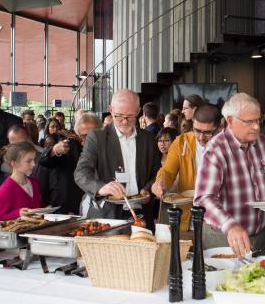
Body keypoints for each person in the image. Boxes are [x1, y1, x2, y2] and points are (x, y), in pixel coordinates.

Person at [193, 93, 265, 257]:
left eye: (258, 120)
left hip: (260, 235)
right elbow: (203, 198)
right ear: (230, 121)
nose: (256, 127)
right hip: (224, 237)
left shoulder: (264, 143)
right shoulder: (216, 149)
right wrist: (230, 225)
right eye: (249, 122)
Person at [74, 89, 160, 228]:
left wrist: (148, 189)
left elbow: (157, 172)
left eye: (130, 116)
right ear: (111, 109)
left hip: (141, 214)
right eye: (119, 116)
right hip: (107, 216)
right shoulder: (97, 137)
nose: (124, 122)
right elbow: (81, 173)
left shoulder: (148, 139)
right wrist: (101, 188)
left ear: (138, 112)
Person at [154, 105, 222, 228]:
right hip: (190, 214)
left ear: (219, 128)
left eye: (207, 132)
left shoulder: (226, 144)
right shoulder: (181, 142)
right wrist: (159, 183)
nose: (201, 137)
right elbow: (168, 172)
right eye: (197, 130)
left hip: (220, 215)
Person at [39, 112, 101, 216]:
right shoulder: (69, 145)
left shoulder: (106, 146)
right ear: (77, 134)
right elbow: (44, 161)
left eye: (93, 134)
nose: (89, 139)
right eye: (84, 135)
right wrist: (55, 150)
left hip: (100, 204)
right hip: (71, 206)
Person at [0, 142, 42, 221]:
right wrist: (18, 213)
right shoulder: (6, 189)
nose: (33, 164)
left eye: (34, 159)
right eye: (29, 161)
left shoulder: (34, 183)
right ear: (14, 164)